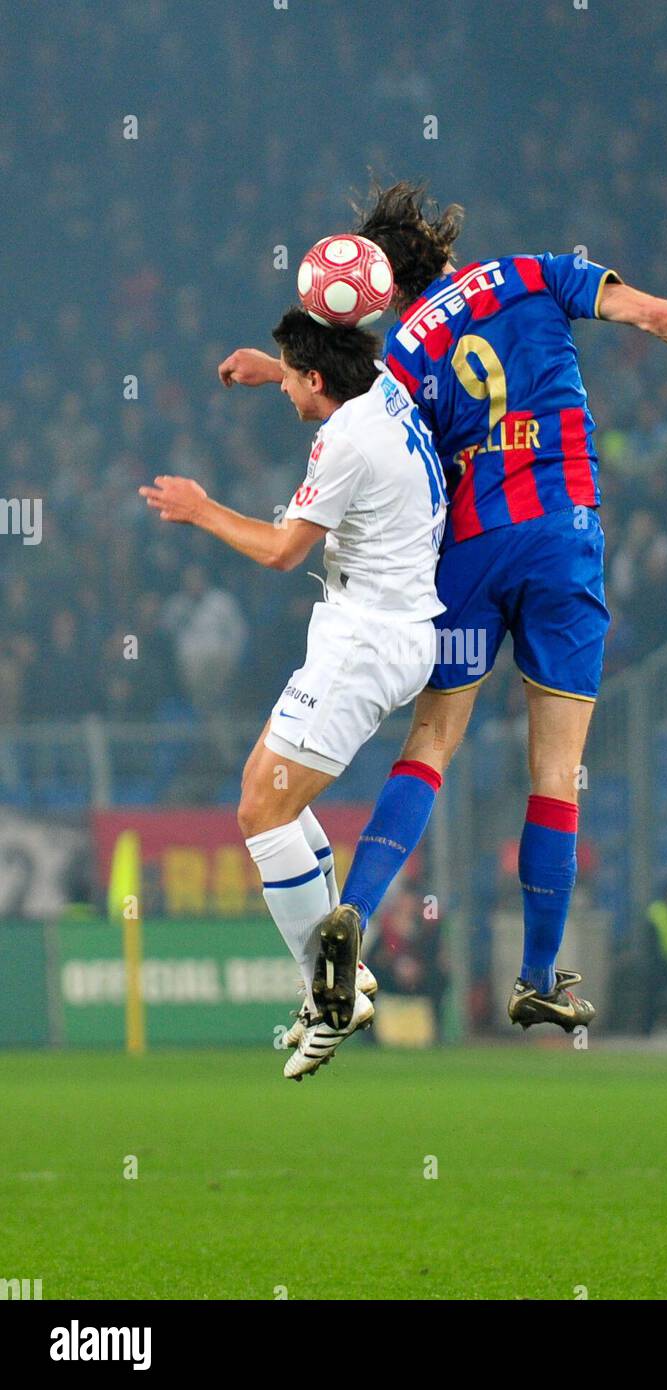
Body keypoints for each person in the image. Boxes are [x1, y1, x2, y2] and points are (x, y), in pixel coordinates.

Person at [219, 181, 667, 1038]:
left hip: (468, 552)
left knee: (429, 744)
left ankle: (350, 916)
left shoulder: (403, 356)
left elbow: (358, 411)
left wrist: (272, 368)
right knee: (556, 769)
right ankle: (537, 977)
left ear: (383, 288)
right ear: (444, 249)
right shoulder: (533, 274)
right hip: (560, 535)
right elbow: (651, 316)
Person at [141, 307, 446, 1079]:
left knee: (258, 810)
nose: (286, 392)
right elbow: (330, 383)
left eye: (291, 379)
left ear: (318, 380)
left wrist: (199, 508)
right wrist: (270, 367)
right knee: (268, 800)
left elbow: (282, 551)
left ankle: (330, 994)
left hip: (365, 642)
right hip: (395, 628)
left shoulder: (342, 442)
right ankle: (345, 978)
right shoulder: (387, 392)